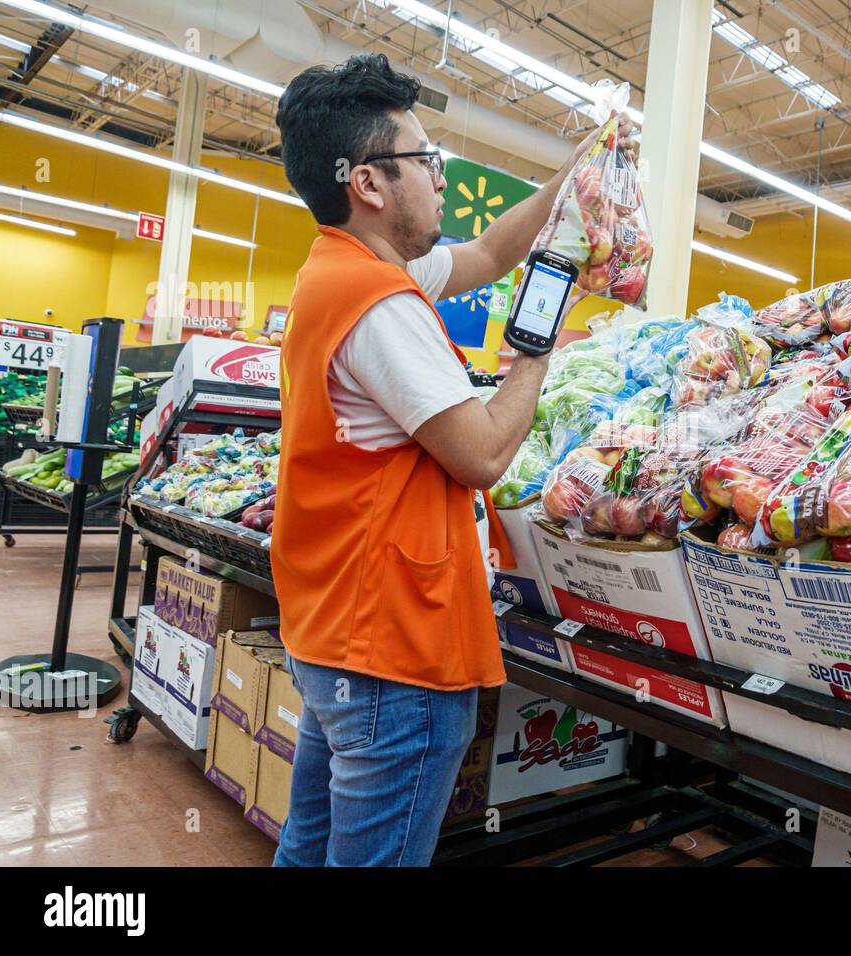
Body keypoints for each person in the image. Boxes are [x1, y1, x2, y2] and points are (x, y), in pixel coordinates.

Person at [268, 53, 634, 866]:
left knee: (312, 844)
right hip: (394, 647)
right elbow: (483, 454)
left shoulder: (343, 270)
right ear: (369, 181)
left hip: (334, 631)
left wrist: (580, 174)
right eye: (428, 162)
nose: (441, 179)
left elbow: (493, 256)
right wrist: (537, 349)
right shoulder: (379, 305)